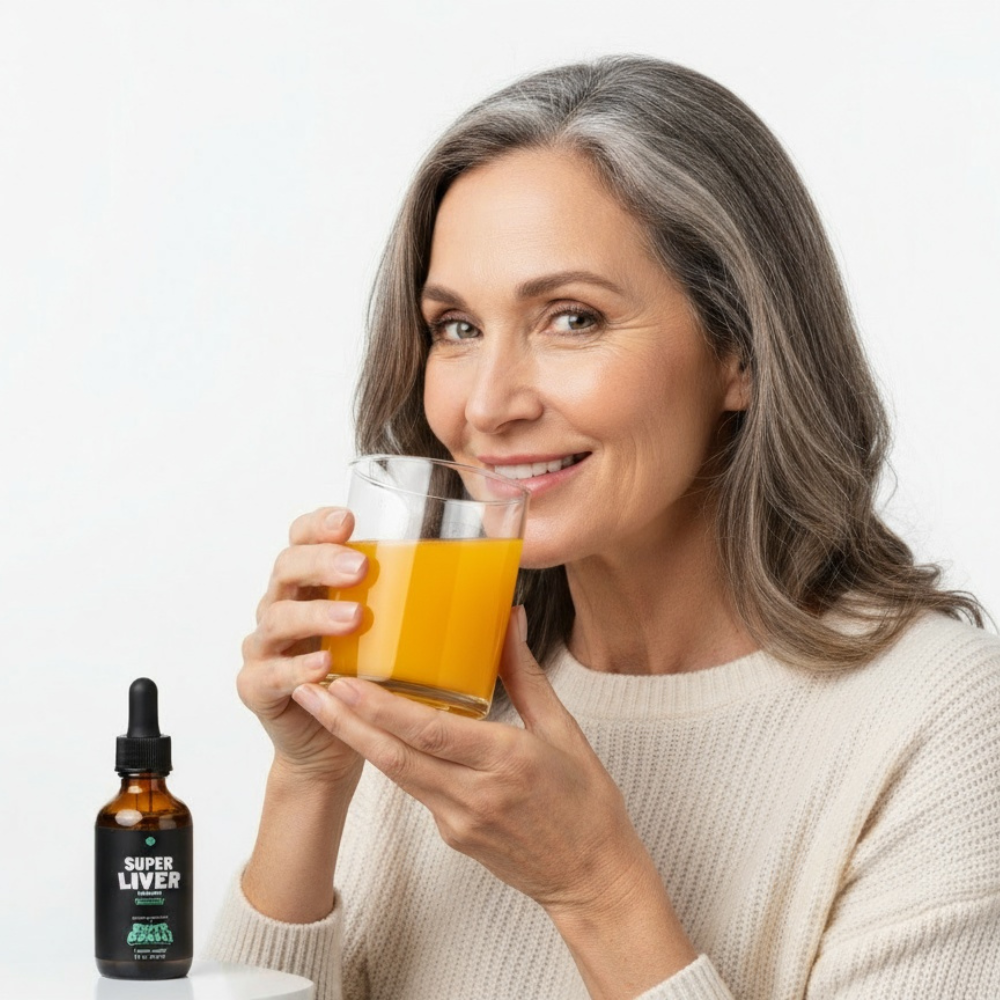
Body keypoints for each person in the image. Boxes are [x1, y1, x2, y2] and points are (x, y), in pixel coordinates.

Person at [205, 56, 1000, 998]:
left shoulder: (937, 719)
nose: (488, 405)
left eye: (571, 318)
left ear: (741, 354)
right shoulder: (435, 672)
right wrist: (313, 781)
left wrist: (595, 889)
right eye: (456, 327)